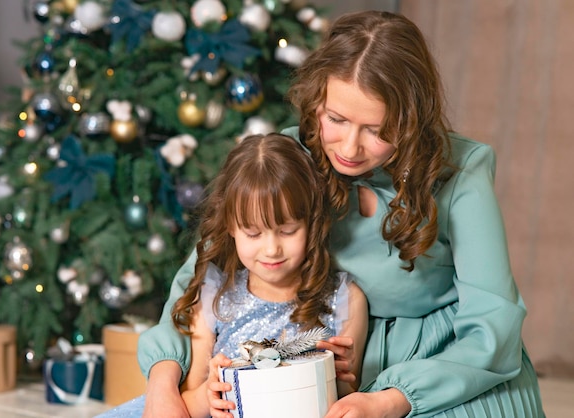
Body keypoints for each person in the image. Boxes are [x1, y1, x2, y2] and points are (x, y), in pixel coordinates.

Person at [136, 10, 545, 418]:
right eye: (336, 119)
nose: (349, 148)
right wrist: (162, 383)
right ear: (316, 101)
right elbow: (199, 277)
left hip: (444, 365)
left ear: (410, 121)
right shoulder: (288, 158)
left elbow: (493, 323)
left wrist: (392, 399)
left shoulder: (461, 171)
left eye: (377, 130)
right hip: (313, 360)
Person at [96, 133, 368, 418]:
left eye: (287, 231)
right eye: (253, 233)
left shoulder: (344, 299)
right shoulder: (217, 294)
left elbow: (347, 398)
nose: (272, 249)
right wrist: (208, 395)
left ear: (312, 223)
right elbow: (186, 405)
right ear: (231, 228)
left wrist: (342, 380)